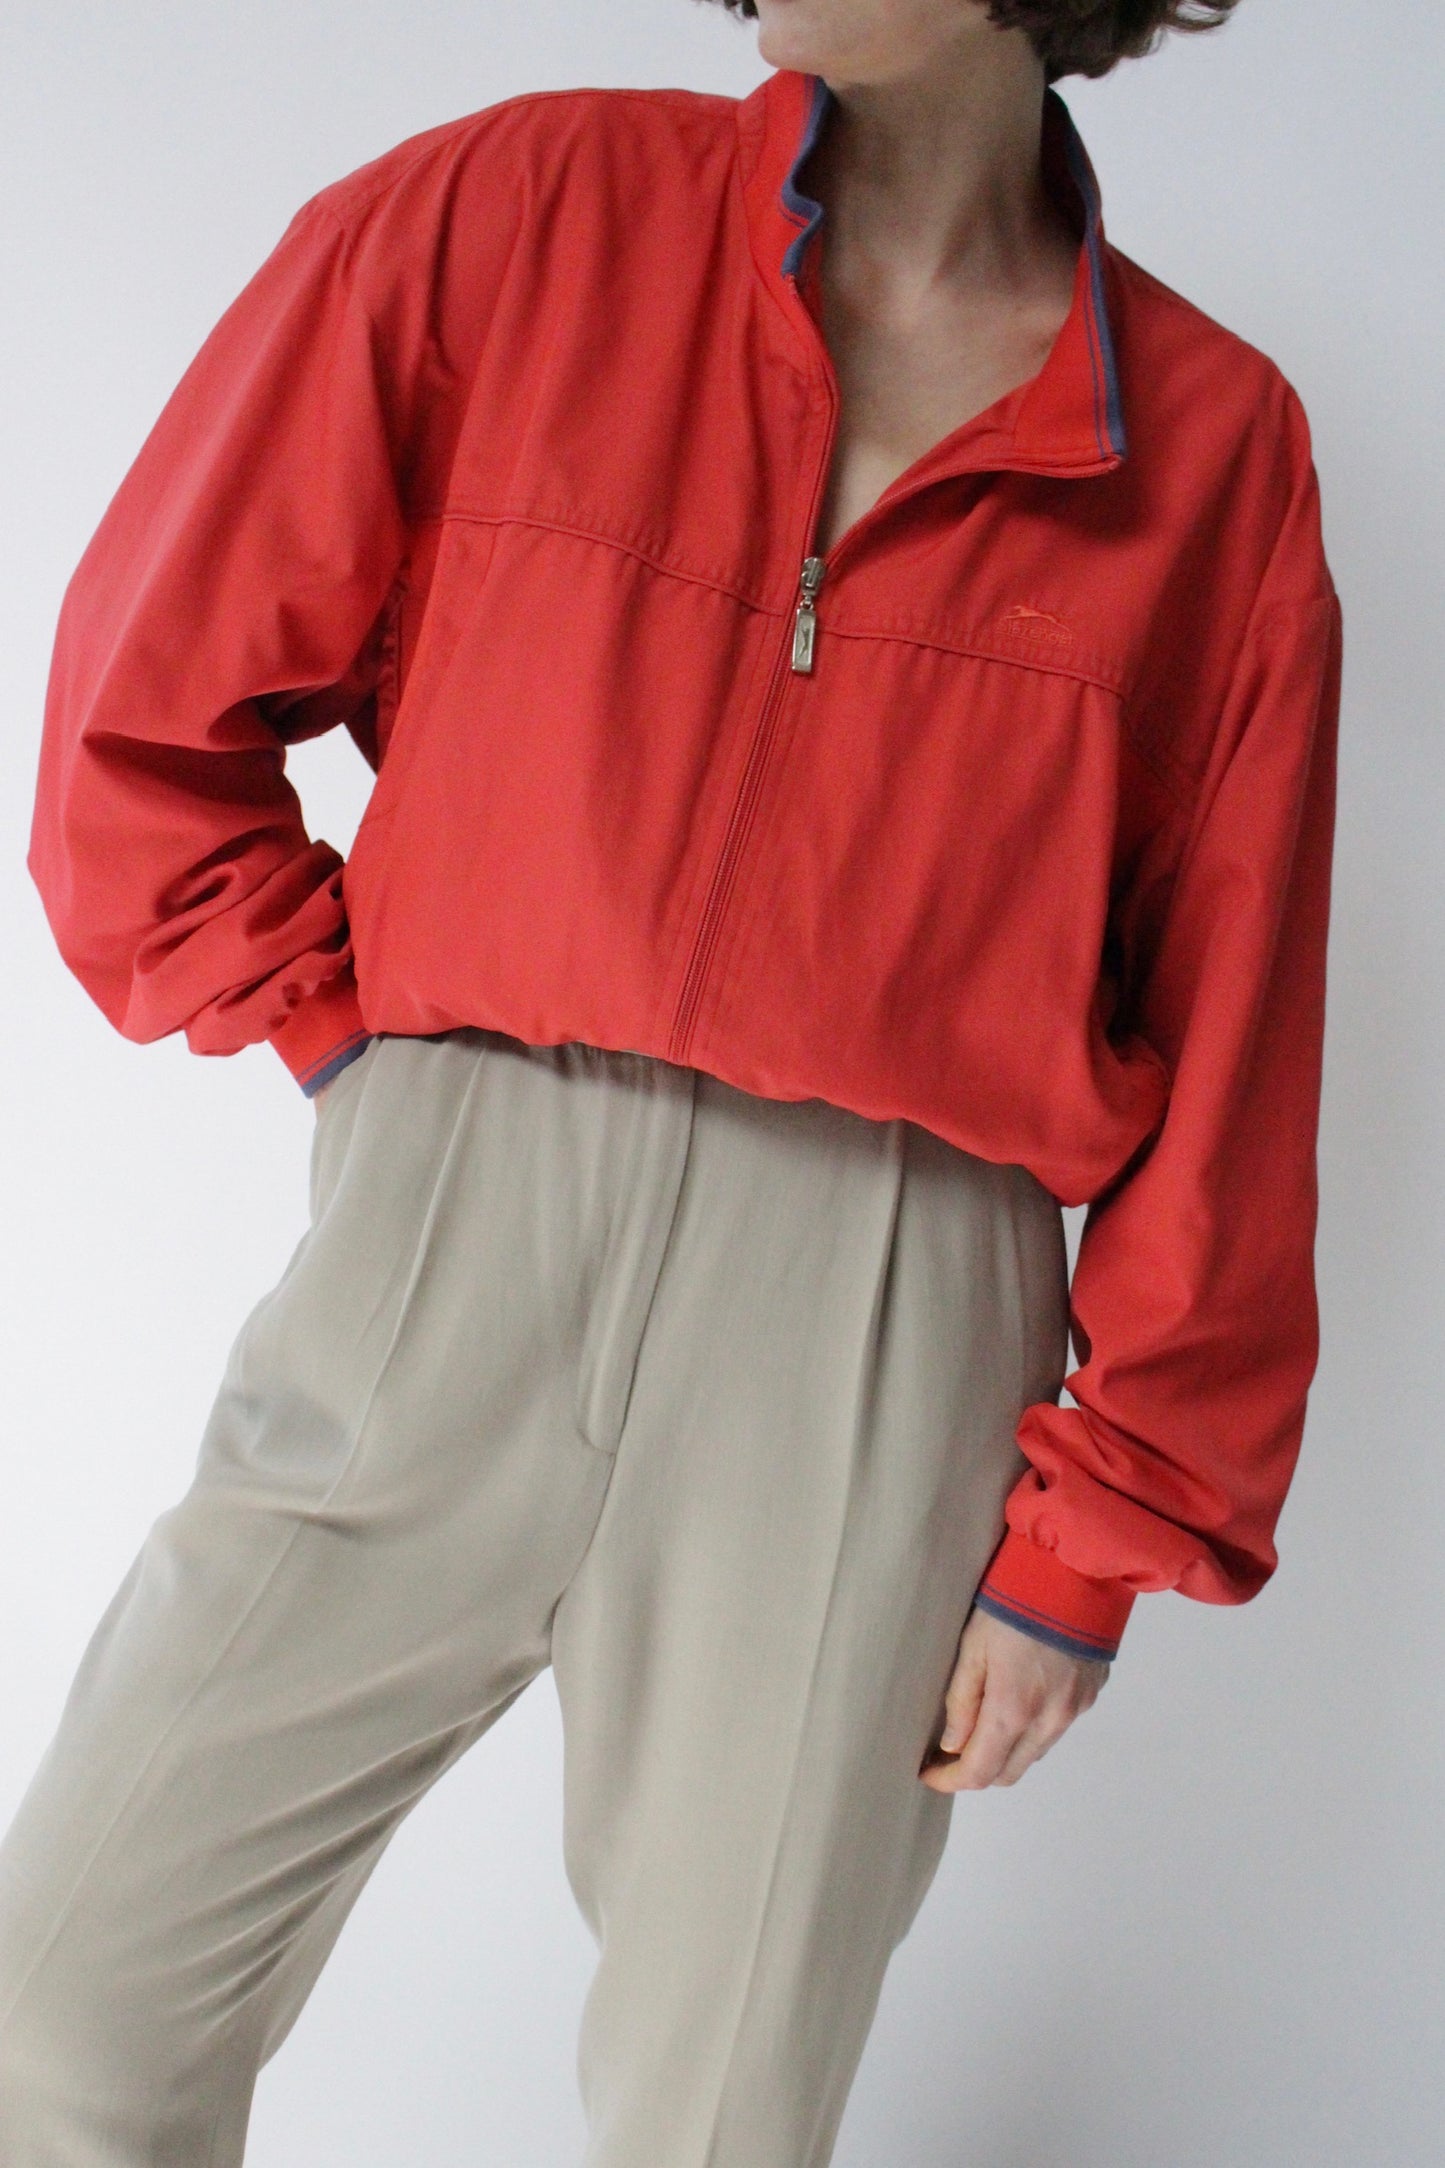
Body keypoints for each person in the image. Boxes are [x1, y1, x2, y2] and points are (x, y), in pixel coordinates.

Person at [2, 0, 1341, 2160]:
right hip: (457, 1221)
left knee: (720, 2116)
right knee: (61, 2013)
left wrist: (1096, 1538)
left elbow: (1236, 1035)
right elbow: (144, 711)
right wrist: (357, 1049)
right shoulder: (516, 216)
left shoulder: (1210, 443)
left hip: (882, 1318)